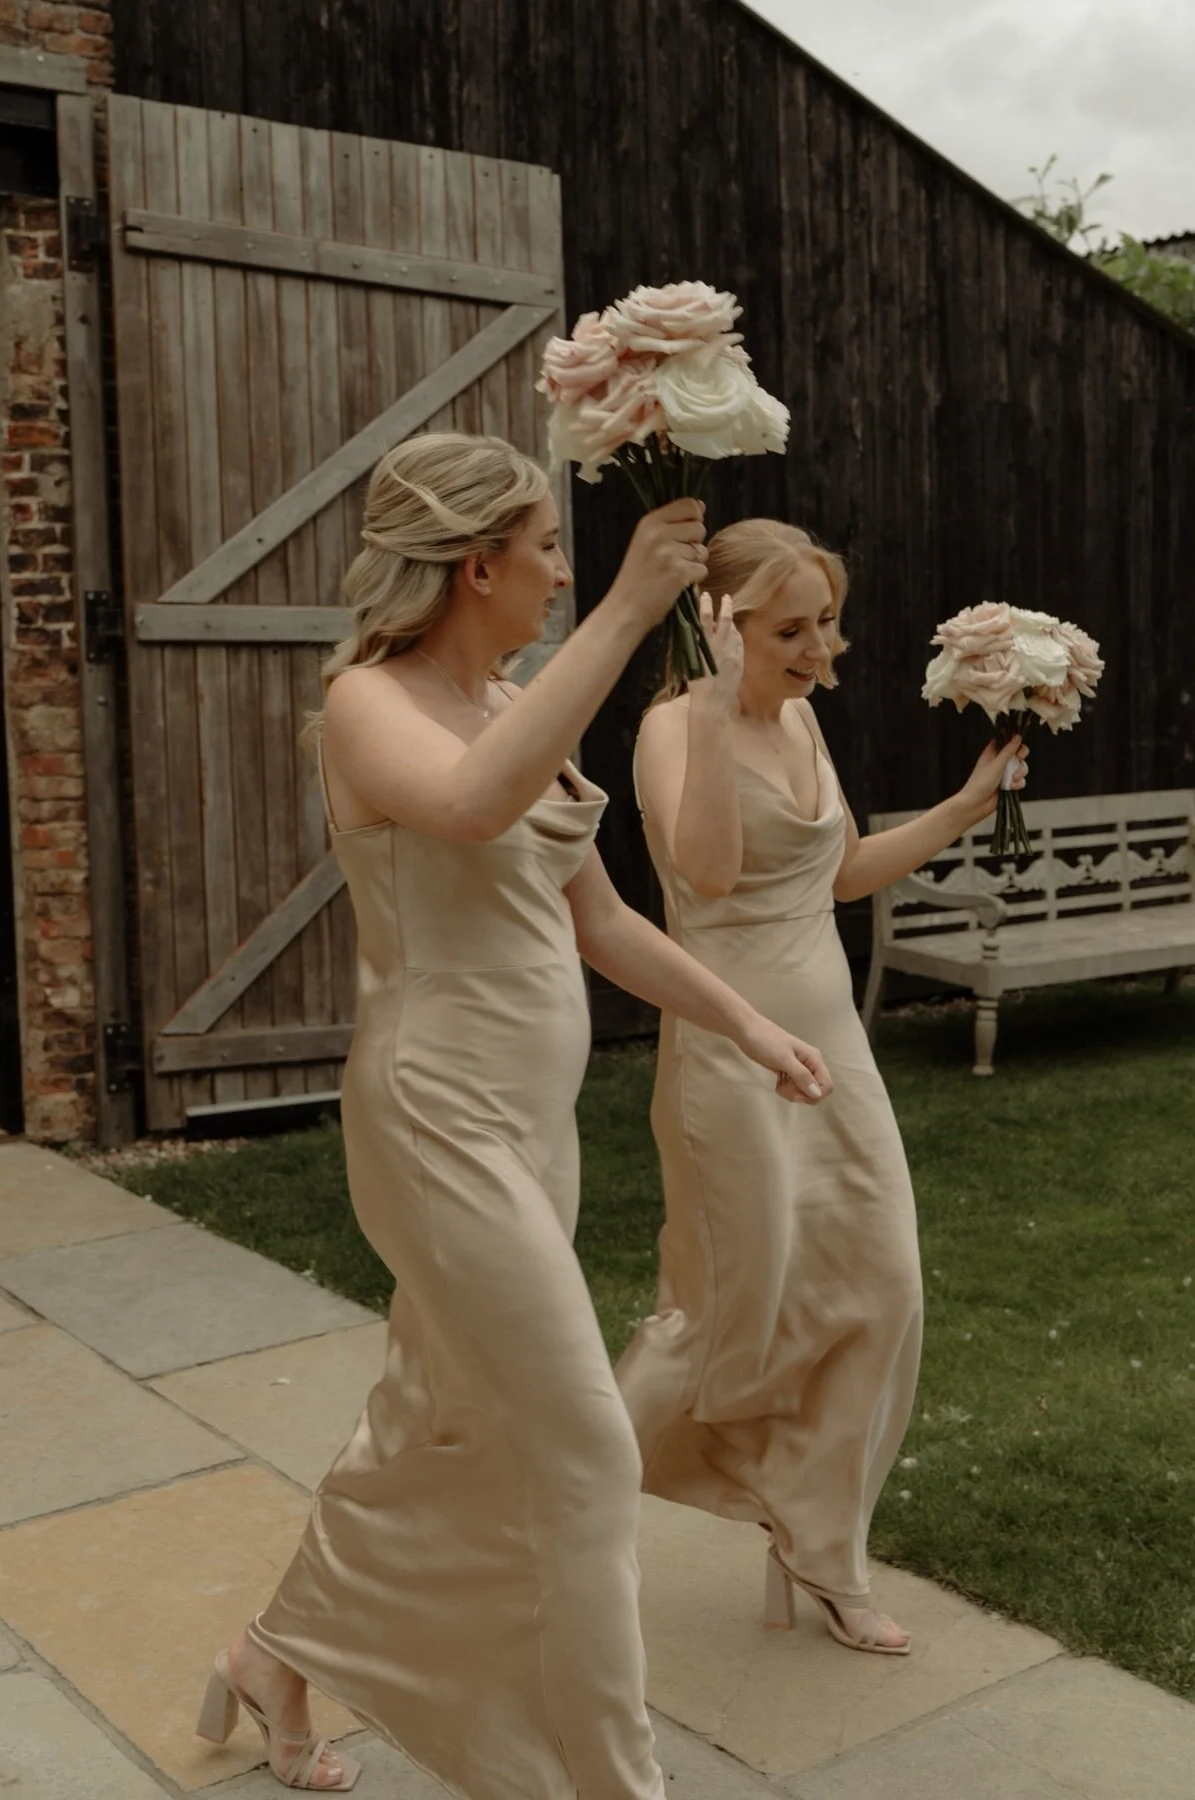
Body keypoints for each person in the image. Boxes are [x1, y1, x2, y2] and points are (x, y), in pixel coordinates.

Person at [195, 438, 833, 1796]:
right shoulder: (369, 705)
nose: (563, 574)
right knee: (586, 1449)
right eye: (547, 548)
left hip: (533, 1127)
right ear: (475, 566)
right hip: (435, 1121)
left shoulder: (511, 704)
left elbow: (600, 921)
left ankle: (275, 1653)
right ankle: (611, 1780)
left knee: (437, 1417)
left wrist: (748, 1022)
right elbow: (472, 806)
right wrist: (628, 613)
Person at [616, 518, 1028, 1656]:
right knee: (726, 1316)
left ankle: (823, 1547)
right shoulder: (670, 728)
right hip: (727, 1056)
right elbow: (705, 875)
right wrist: (711, 705)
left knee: (883, 1289)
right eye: (791, 629)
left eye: (827, 622)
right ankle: (557, 1495)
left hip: (832, 1053)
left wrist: (964, 806)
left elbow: (840, 873)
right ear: (720, 625)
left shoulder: (803, 719)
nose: (820, 648)